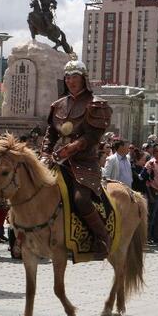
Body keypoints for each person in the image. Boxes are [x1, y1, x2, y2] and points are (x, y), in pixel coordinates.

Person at [41, 60, 112, 259]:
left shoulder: (96, 103)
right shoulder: (58, 104)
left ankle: (102, 237)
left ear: (83, 79)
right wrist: (45, 152)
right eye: (68, 77)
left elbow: (92, 136)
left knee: (81, 201)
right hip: (56, 159)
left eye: (75, 77)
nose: (71, 81)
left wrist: (71, 148)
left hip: (83, 163)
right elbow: (50, 134)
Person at [142, 145, 158, 243]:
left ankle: (157, 236)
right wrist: (150, 194)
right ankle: (147, 237)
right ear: (155, 152)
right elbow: (145, 179)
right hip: (154, 192)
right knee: (151, 216)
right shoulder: (151, 163)